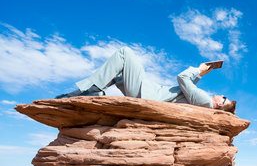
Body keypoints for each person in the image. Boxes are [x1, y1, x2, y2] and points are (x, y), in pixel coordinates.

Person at [56, 46, 236, 113]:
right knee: (118, 75)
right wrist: (200, 75)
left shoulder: (205, 102)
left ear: (220, 104)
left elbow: (181, 78)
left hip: (146, 95)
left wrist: (197, 69)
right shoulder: (202, 104)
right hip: (147, 93)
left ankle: (92, 89)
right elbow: (185, 91)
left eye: (224, 98)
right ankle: (84, 92)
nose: (221, 95)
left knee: (125, 53)